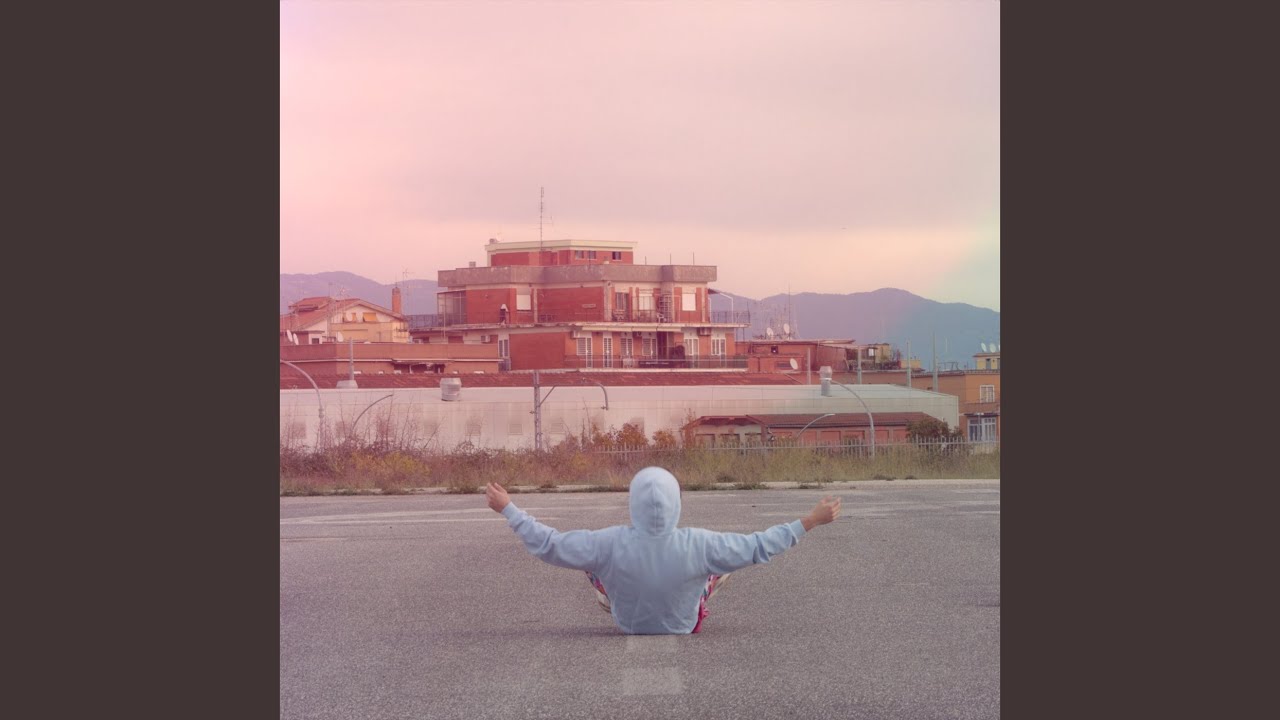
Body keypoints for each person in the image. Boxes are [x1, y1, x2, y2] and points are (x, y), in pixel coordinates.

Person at [484, 466, 842, 635]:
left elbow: (549, 545)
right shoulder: (701, 542)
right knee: (726, 561)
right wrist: (810, 520)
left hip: (628, 624)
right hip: (683, 625)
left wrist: (509, 509)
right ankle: (707, 584)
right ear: (676, 502)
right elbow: (760, 546)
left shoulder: (608, 541)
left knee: (589, 563)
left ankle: (610, 595)